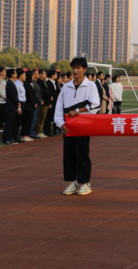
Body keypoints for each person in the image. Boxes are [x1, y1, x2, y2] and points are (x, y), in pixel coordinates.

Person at [54, 57, 101, 196]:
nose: (75, 71)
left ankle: (85, 183)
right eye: (73, 68)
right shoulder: (66, 87)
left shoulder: (91, 86)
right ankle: (72, 182)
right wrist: (60, 123)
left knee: (82, 154)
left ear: (84, 69)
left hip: (83, 127)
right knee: (69, 155)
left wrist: (78, 110)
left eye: (78, 68)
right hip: (68, 128)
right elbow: (59, 107)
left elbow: (95, 105)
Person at [3, 69, 22, 145]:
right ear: (12, 74)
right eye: (15, 73)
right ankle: (6, 139)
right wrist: (17, 103)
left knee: (12, 123)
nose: (16, 74)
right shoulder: (10, 83)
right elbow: (13, 96)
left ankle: (9, 137)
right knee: (9, 123)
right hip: (10, 106)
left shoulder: (11, 83)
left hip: (12, 106)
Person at [36, 69, 51, 138]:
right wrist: (49, 97)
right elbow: (43, 92)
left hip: (47, 102)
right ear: (40, 75)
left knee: (43, 118)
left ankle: (41, 131)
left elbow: (47, 91)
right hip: (43, 102)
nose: (45, 75)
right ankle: (38, 132)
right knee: (41, 118)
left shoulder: (44, 82)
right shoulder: (39, 82)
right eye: (44, 74)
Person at [45, 70, 59, 136]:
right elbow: (48, 92)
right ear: (52, 75)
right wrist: (49, 102)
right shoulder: (48, 82)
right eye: (55, 74)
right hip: (50, 102)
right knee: (49, 117)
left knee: (54, 116)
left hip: (55, 102)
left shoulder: (55, 83)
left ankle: (54, 130)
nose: (56, 76)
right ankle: (47, 131)